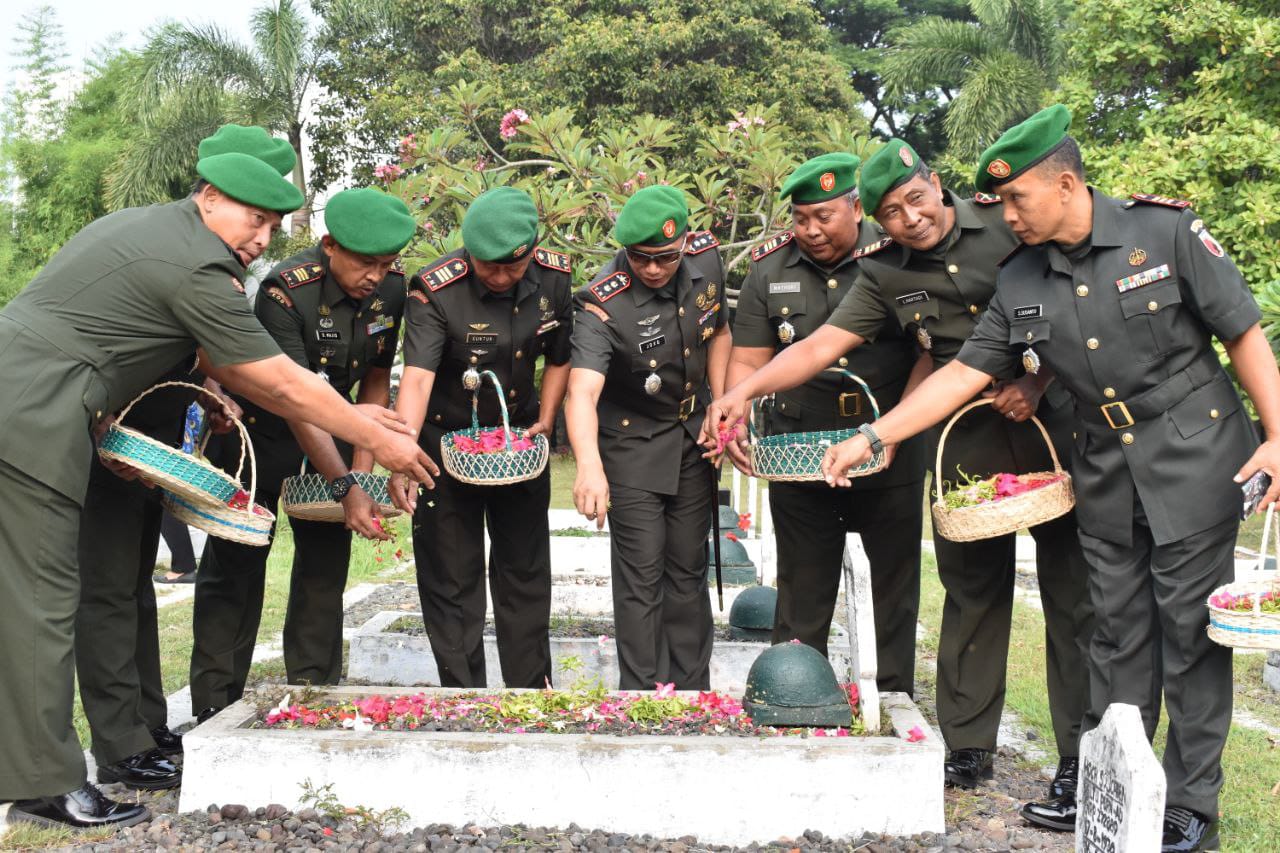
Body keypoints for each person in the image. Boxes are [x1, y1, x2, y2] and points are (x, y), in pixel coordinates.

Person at [811, 105, 1280, 852]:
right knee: (1116, 631)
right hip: (1102, 467)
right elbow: (964, 371)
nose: (1006, 213)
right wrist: (874, 433)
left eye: (1018, 198)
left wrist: (1279, 437)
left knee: (1189, 633)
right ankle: (1111, 782)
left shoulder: (1162, 234)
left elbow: (1243, 332)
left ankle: (1191, 804)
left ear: (1065, 184)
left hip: (1194, 453)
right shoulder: (1021, 274)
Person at [0, 125, 435, 831]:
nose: (262, 237)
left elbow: (217, 361)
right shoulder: (194, 261)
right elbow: (274, 379)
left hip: (75, 411)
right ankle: (42, 779)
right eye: (252, 218)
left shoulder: (169, 235)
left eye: (271, 224)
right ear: (208, 198)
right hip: (33, 412)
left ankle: (129, 743)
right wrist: (372, 434)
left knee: (121, 583)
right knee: (42, 599)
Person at [705, 138, 1093, 815]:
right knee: (971, 588)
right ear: (876, 221)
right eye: (893, 212)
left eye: (916, 199)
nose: (911, 218)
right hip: (960, 432)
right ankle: (969, 743)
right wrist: (744, 392)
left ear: (935, 184)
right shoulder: (883, 273)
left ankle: (1076, 758)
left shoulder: (1007, 220)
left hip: (1050, 422)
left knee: (1070, 593)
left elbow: (1077, 305)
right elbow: (824, 344)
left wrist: (1041, 377)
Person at [190, 186, 418, 720]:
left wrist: (358, 479)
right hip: (266, 443)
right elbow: (295, 402)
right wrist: (345, 484)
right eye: (366, 263)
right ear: (330, 245)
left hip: (340, 435)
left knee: (323, 570)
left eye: (387, 264)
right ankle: (214, 708)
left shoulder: (391, 288)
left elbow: (377, 382)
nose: (376, 276)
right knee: (235, 573)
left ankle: (313, 695)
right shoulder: (285, 291)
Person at [726, 152, 928, 693]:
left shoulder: (899, 257)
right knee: (802, 582)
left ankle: (891, 697)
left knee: (893, 581)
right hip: (800, 443)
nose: (811, 231)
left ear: (856, 208)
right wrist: (737, 415)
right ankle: (794, 692)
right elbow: (748, 358)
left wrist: (894, 433)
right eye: (800, 218)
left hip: (889, 440)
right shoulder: (770, 269)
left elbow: (929, 350)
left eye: (824, 217)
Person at [389, 186, 573, 688]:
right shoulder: (434, 289)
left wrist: (547, 419)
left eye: (510, 269)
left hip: (519, 447)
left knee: (525, 573)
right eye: (486, 266)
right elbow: (419, 378)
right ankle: (462, 695)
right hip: (444, 448)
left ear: (531, 252)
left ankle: (530, 691)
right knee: (451, 577)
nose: (497, 277)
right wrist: (403, 455)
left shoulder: (555, 277)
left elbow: (559, 357)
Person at [566, 185, 732, 690]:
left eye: (666, 257)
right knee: (642, 576)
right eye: (642, 258)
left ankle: (692, 691)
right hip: (632, 445)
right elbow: (581, 394)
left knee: (687, 570)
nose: (655, 269)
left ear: (684, 241)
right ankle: (641, 695)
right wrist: (590, 468)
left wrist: (720, 408)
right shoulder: (603, 301)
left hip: (690, 436)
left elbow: (719, 331)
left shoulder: (706, 259)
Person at [76, 366, 237, 792]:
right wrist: (98, 419)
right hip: (109, 444)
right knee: (108, 594)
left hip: (150, 448)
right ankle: (118, 746)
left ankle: (145, 725)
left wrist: (209, 391)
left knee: (137, 591)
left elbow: (186, 358)